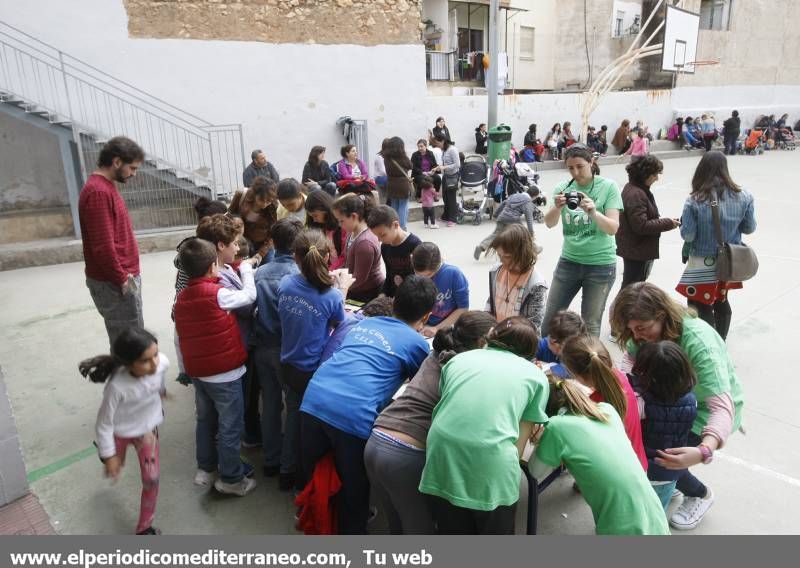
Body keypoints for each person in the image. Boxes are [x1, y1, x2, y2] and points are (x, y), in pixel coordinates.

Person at [300, 275, 437, 534]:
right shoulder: (417, 343)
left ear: (394, 302)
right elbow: (422, 389)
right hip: (352, 417)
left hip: (313, 401)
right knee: (355, 493)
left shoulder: (364, 324)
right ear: (427, 316)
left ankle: (317, 520)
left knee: (317, 478)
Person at [610, 282, 745, 530]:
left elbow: (722, 408)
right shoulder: (641, 334)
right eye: (631, 330)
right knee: (654, 453)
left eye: (641, 328)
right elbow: (629, 359)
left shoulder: (699, 342)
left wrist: (704, 450)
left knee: (663, 458)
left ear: (661, 316)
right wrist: (629, 389)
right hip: (664, 399)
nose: (636, 336)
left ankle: (700, 494)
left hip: (702, 410)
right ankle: (668, 482)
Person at [365, 311, 496, 534]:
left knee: (397, 523)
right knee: (419, 528)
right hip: (406, 453)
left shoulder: (437, 354)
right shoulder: (466, 370)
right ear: (482, 342)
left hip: (376, 439)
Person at [419, 316, 550, 535]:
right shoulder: (536, 377)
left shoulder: (457, 360)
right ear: (529, 353)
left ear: (491, 335)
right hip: (491, 467)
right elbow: (519, 446)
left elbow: (449, 408)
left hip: (441, 458)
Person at [530, 377, 670, 535]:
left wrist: (542, 438)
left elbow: (535, 471)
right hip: (653, 513)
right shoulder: (607, 410)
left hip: (620, 525)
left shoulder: (556, 426)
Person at [173, 238, 258, 496]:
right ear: (213, 267)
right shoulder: (218, 294)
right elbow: (249, 296)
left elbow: (177, 338)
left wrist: (184, 369)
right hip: (226, 376)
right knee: (230, 426)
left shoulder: (181, 298)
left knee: (205, 420)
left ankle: (206, 469)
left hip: (199, 374)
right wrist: (245, 269)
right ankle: (232, 479)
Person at [81, 327, 167, 535]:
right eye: (145, 360)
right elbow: (104, 424)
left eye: (155, 354)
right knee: (114, 463)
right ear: (128, 364)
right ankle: (107, 453)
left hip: (147, 433)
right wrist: (109, 455)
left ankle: (144, 527)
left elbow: (159, 379)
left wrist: (161, 392)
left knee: (152, 479)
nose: (155, 363)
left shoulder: (162, 363)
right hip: (119, 432)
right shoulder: (117, 387)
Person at [277, 229, 346, 481]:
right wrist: (343, 290)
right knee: (310, 428)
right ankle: (306, 480)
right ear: (328, 257)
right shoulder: (331, 296)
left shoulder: (286, 284)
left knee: (293, 417)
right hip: (312, 370)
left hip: (287, 363)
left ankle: (286, 471)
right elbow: (341, 324)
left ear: (295, 258)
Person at [541, 145, 622, 337]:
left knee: (591, 324)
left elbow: (612, 228)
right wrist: (557, 208)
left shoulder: (608, 186)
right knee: (551, 319)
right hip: (569, 261)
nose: (575, 172)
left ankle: (588, 365)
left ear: (591, 163)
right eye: (570, 168)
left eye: (580, 166)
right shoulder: (563, 187)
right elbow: (549, 223)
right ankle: (540, 359)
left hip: (600, 265)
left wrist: (594, 212)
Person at [677, 151, 756, 340]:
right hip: (729, 261)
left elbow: (688, 235)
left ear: (701, 170)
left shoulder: (695, 199)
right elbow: (749, 228)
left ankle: (708, 344)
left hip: (701, 262)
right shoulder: (744, 195)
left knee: (698, 304)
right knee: (721, 299)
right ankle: (721, 341)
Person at [78, 136, 145, 349]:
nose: (134, 173)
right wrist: (121, 278)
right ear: (117, 162)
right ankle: (130, 382)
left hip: (122, 277)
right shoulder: (98, 192)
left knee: (135, 340)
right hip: (115, 282)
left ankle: (137, 380)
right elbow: (103, 246)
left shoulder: (106, 186)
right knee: (129, 345)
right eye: (132, 168)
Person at [253, 218, 304, 490]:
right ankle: (288, 468)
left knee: (270, 406)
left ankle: (271, 461)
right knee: (293, 406)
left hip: (263, 346)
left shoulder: (260, 272)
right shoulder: (299, 275)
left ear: (272, 241)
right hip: (289, 349)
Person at [560, 334, 647, 471]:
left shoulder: (595, 408)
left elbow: (579, 444)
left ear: (578, 377)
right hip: (637, 464)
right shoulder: (618, 377)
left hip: (616, 474)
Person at [630, 341, 698, 510]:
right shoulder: (691, 399)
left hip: (644, 470)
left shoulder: (642, 402)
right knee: (657, 510)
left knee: (638, 509)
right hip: (671, 472)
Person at [615, 155, 679, 290]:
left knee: (632, 287)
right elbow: (641, 226)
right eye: (655, 174)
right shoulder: (636, 194)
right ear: (645, 174)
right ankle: (621, 311)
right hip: (637, 251)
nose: (657, 178)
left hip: (636, 249)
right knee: (631, 289)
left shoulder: (636, 189)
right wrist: (668, 223)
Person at [484, 224, 548, 332]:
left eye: (507, 257)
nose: (502, 261)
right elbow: (491, 303)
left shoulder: (536, 285)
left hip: (519, 342)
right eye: (500, 256)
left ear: (523, 253)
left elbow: (533, 325)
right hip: (496, 336)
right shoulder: (496, 271)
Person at [332, 194, 384, 303]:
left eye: (341, 221)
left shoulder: (365, 243)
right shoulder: (352, 232)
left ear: (354, 216)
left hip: (367, 292)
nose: (339, 225)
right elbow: (347, 262)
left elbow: (359, 278)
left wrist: (339, 287)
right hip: (354, 287)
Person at [412, 242, 469, 338]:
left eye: (429, 275)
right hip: (424, 327)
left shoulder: (454, 274)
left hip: (449, 326)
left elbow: (463, 308)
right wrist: (418, 322)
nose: (425, 279)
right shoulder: (413, 277)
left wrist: (437, 328)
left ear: (439, 264)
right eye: (419, 275)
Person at [367, 205, 422, 298]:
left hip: (412, 297)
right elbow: (389, 275)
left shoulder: (415, 244)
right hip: (393, 296)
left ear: (395, 225)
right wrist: (382, 294)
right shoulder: (385, 247)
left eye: (382, 235)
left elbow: (422, 279)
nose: (379, 240)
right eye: (377, 236)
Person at [474, 185, 541, 260]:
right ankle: (535, 248)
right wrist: (531, 233)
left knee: (495, 235)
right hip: (513, 219)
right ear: (534, 196)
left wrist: (495, 214)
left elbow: (503, 203)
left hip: (502, 217)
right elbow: (529, 219)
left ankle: (482, 246)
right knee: (523, 234)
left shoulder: (515, 195)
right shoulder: (528, 202)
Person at [228, 176, 278, 260]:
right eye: (261, 200)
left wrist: (261, 253)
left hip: (264, 243)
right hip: (243, 242)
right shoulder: (241, 195)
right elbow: (229, 216)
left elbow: (273, 233)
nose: (264, 204)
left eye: (268, 201)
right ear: (255, 194)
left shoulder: (273, 206)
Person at [534, 310, 586, 377]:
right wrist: (535, 365)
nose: (567, 352)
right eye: (564, 348)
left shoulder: (576, 353)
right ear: (553, 341)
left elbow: (574, 370)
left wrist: (550, 369)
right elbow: (528, 359)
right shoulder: (541, 345)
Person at [305, 190, 347, 270]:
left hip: (340, 271)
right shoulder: (318, 227)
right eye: (311, 217)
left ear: (325, 209)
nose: (314, 220)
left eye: (315, 215)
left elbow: (344, 255)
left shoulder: (342, 226)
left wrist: (330, 271)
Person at [382, 137, 414, 230]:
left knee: (394, 206)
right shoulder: (402, 157)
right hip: (402, 184)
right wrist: (405, 154)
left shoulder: (386, 157)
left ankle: (394, 226)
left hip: (391, 184)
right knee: (403, 206)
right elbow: (410, 165)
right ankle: (402, 227)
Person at [431, 134, 460, 226]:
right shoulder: (444, 150)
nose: (437, 145)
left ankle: (453, 219)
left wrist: (444, 167)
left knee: (451, 198)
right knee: (445, 197)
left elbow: (457, 165)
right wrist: (438, 168)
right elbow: (445, 164)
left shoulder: (452, 149)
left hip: (452, 176)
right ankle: (446, 216)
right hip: (446, 176)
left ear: (443, 140)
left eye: (437, 143)